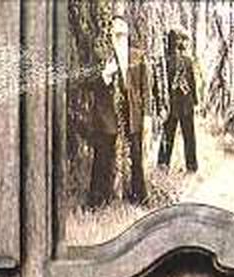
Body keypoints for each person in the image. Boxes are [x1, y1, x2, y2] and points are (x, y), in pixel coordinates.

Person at [86, 13, 148, 206]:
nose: (120, 34)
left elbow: (145, 88)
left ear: (128, 32)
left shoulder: (138, 55)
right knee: (103, 157)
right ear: (110, 33)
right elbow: (87, 82)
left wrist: (147, 115)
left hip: (132, 114)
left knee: (135, 157)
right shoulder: (101, 55)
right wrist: (105, 74)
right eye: (116, 31)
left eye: (123, 30)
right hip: (107, 115)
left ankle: (139, 198)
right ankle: (98, 201)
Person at [157, 27, 201, 173]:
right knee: (175, 135)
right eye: (179, 40)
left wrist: (195, 101)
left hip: (179, 103)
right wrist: (195, 101)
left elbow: (191, 82)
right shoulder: (170, 61)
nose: (181, 43)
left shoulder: (178, 61)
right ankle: (166, 164)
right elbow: (161, 85)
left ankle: (181, 165)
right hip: (176, 104)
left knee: (181, 135)